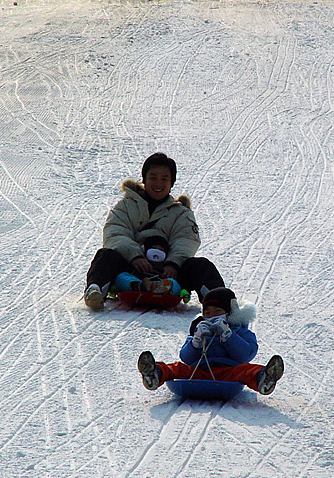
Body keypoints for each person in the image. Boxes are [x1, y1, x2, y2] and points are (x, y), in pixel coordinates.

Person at [84, 152, 225, 311]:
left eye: (165, 178)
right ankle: (95, 291)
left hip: (168, 273)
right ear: (144, 179)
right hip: (131, 268)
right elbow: (115, 233)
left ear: (172, 183)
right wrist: (135, 256)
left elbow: (186, 240)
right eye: (153, 177)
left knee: (201, 266)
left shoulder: (181, 213)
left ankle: (220, 301)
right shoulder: (126, 206)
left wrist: (173, 264)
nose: (158, 183)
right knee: (106, 256)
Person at [137, 287, 285, 396]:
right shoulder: (200, 329)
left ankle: (264, 378)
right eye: (207, 313)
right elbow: (186, 357)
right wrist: (196, 341)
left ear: (230, 312)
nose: (212, 316)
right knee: (176, 368)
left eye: (218, 312)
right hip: (199, 371)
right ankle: (154, 374)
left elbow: (245, 354)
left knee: (246, 370)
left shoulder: (240, 332)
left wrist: (228, 335)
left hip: (229, 373)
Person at [112, 235, 182, 295]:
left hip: (159, 281)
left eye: (161, 250)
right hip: (139, 280)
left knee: (174, 283)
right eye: (153, 248)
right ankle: (138, 286)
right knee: (122, 277)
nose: (156, 252)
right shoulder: (139, 262)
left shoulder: (165, 267)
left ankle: (164, 289)